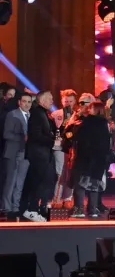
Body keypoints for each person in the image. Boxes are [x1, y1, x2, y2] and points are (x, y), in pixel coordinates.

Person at [66, 101, 112, 219]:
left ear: (95, 110)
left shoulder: (87, 122)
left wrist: (70, 128)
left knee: (80, 184)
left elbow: (75, 137)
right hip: (99, 159)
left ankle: (79, 208)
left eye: (90, 108)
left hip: (84, 157)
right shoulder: (105, 124)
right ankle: (93, 209)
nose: (87, 109)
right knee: (94, 184)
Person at [20, 90, 56, 220]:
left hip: (44, 154)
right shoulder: (37, 114)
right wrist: (53, 141)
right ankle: (31, 209)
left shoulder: (43, 114)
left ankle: (36, 209)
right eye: (50, 99)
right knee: (38, 182)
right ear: (42, 100)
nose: (52, 101)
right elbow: (36, 135)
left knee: (44, 181)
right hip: (38, 154)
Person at [2, 91, 32, 217]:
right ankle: (6, 207)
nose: (27, 104)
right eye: (24, 101)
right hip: (13, 152)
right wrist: (23, 137)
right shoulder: (12, 114)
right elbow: (6, 134)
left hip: (26, 153)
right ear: (19, 102)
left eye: (29, 102)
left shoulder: (31, 116)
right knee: (11, 182)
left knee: (20, 182)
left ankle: (15, 207)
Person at [50, 89, 77, 204]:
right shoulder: (55, 114)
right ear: (62, 101)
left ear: (74, 101)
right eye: (66, 101)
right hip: (59, 147)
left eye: (70, 101)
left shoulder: (77, 115)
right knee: (60, 173)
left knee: (71, 173)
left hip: (73, 148)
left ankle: (67, 199)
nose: (68, 104)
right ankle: (56, 200)